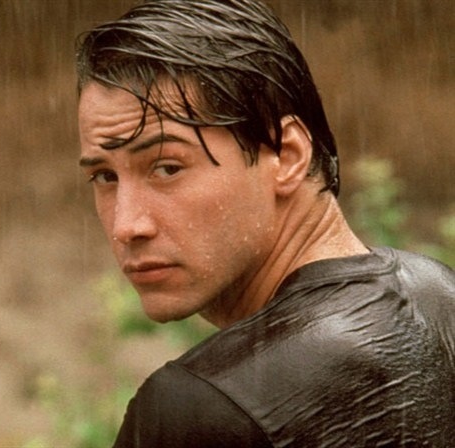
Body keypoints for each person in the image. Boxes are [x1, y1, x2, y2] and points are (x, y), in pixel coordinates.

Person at [76, 0, 455, 446]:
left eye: (167, 168)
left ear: (288, 155)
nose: (126, 226)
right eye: (105, 176)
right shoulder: (441, 295)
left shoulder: (204, 408)